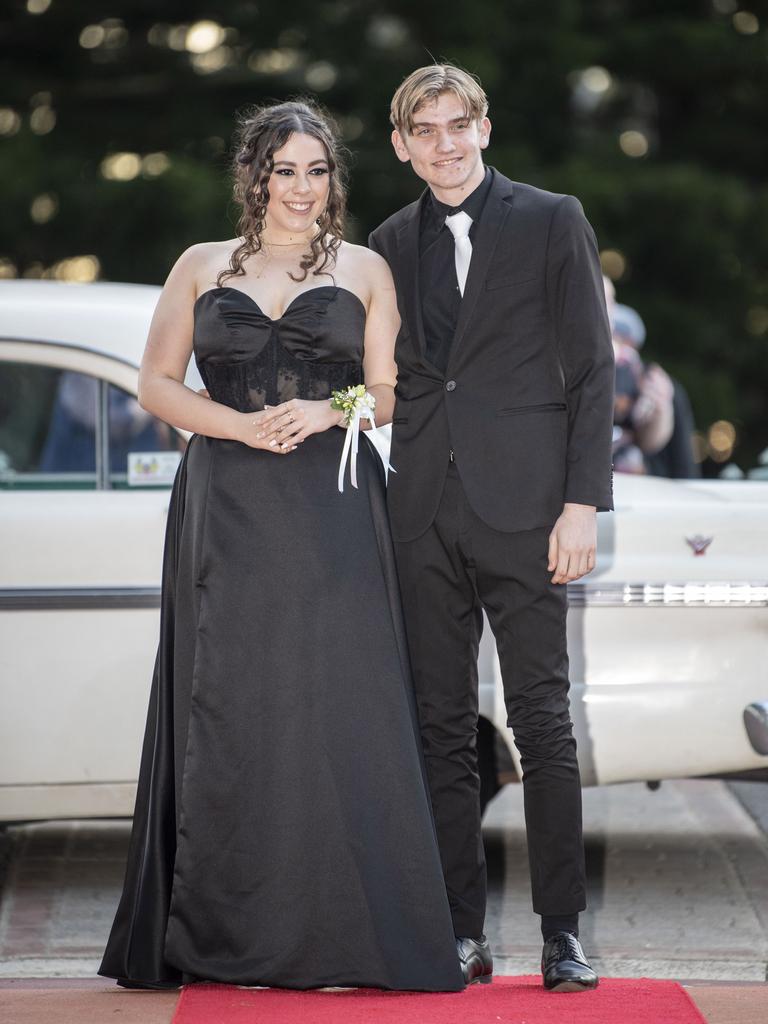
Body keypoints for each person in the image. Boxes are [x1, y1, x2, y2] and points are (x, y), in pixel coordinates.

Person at [98, 99, 464, 993]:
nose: (301, 189)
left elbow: (390, 392)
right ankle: (223, 931)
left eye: (316, 171)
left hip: (333, 506)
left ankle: (347, 934)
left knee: (340, 703)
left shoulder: (368, 269)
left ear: (334, 178)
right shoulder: (199, 267)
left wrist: (326, 409)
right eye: (284, 169)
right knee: (230, 701)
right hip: (225, 503)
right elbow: (153, 382)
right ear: (253, 174)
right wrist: (235, 425)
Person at [368, 65, 614, 991]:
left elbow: (592, 369)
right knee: (439, 730)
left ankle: (562, 934)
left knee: (544, 724)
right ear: (402, 144)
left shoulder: (554, 219)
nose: (443, 142)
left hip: (529, 514)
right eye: (424, 130)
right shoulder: (388, 242)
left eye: (457, 124)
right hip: (422, 513)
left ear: (484, 128)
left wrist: (583, 503)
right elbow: (386, 380)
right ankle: (459, 930)